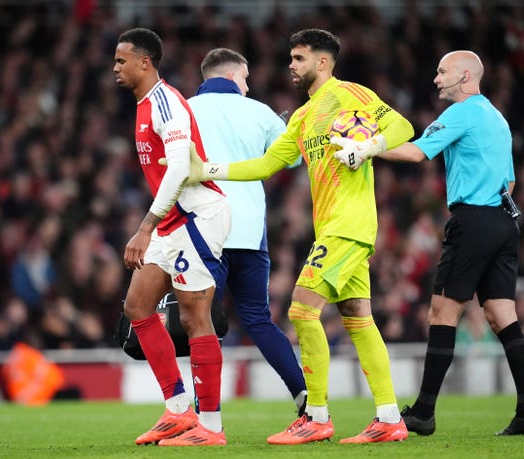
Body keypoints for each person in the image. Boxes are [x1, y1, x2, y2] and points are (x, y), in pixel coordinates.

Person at [180, 29, 414, 445]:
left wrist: (368, 147)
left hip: (349, 223)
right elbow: (267, 163)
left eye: (299, 58)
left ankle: (317, 415)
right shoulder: (303, 117)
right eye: (291, 58)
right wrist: (208, 170)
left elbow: (402, 125)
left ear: (323, 63)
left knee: (302, 310)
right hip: (334, 227)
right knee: (359, 319)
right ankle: (389, 417)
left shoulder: (348, 95)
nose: (291, 65)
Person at [338, 50, 524, 436]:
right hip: (504, 221)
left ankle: (424, 413)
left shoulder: (461, 113)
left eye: (442, 71)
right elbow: (511, 183)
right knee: (502, 316)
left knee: (441, 314)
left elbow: (417, 152)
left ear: (465, 77)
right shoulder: (497, 118)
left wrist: (366, 149)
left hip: (473, 222)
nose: (436, 78)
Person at [113, 28, 231, 446]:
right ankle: (178, 410)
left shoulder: (165, 103)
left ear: (145, 63)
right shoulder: (144, 104)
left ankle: (211, 427)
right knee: (137, 305)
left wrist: (145, 226)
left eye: (122, 60)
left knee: (194, 317)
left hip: (197, 217)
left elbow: (180, 170)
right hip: (172, 221)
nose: (115, 68)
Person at [187, 48, 308, 417]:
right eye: (246, 78)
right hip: (251, 233)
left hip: (205, 232)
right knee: (257, 318)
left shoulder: (184, 109)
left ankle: (206, 415)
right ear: (235, 75)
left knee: (201, 323)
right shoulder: (259, 111)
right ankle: (305, 397)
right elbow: (294, 157)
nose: (248, 84)